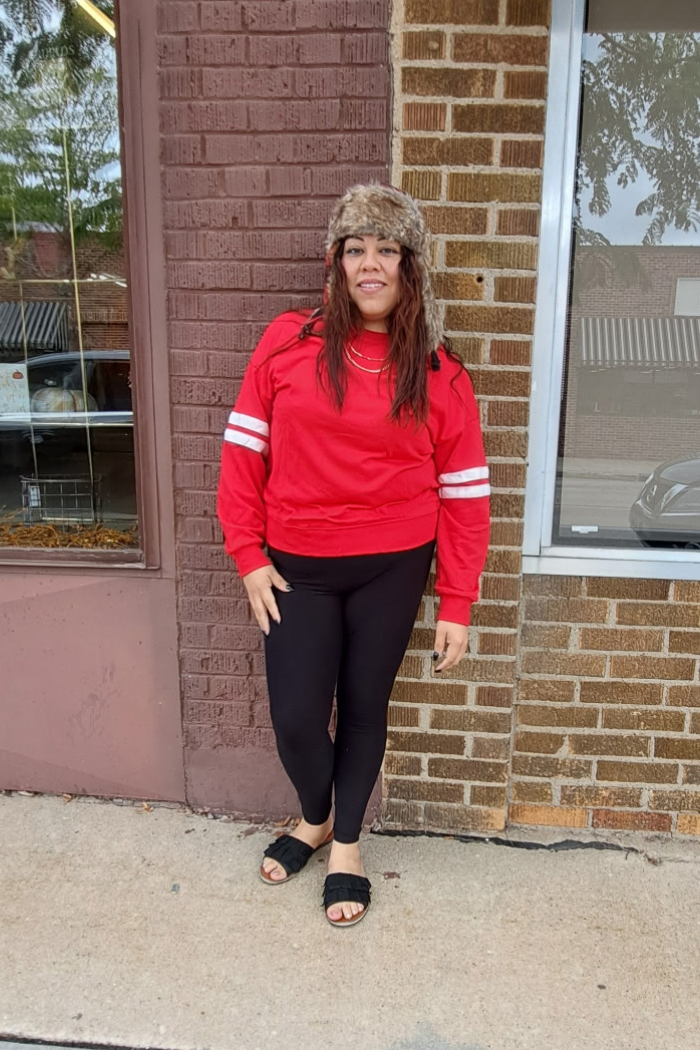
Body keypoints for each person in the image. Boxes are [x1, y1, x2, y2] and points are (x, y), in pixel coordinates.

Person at [217, 184, 490, 928]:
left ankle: (345, 843)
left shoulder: (439, 371)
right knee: (297, 719)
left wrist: (457, 601)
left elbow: (465, 494)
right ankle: (314, 816)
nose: (371, 264)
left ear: (409, 266)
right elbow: (242, 455)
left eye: (387, 249)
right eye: (356, 248)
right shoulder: (286, 341)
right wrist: (247, 554)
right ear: (336, 262)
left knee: (366, 709)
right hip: (295, 568)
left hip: (392, 566)